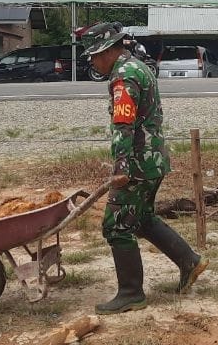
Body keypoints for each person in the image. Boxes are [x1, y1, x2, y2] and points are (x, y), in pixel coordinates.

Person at [79, 21, 208, 313]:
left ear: (108, 51)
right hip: (154, 160)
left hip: (137, 165)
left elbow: (123, 124)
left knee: (116, 225)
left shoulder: (123, 77)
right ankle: (190, 261)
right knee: (142, 219)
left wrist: (120, 167)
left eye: (94, 56)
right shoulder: (138, 66)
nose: (93, 62)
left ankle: (131, 293)